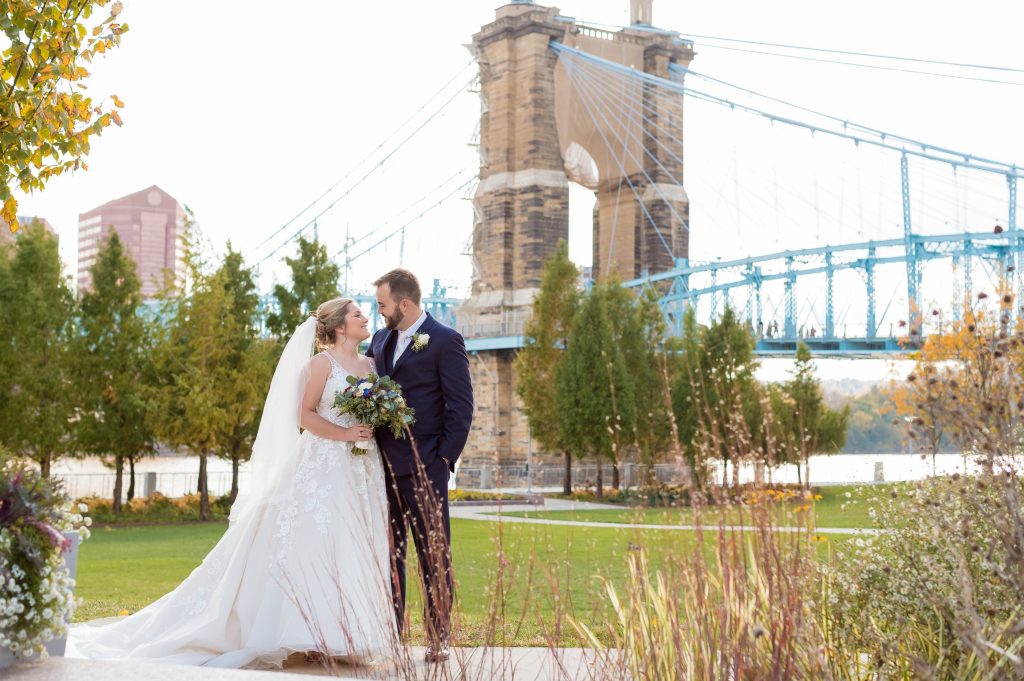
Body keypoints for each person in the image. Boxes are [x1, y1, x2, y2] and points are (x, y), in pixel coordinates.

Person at [68, 298, 396, 668]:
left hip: (362, 469)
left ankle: (342, 635)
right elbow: (303, 416)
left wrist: (373, 423)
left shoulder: (372, 365)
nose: (364, 318)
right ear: (339, 326)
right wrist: (345, 432)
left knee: (351, 543)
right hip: (322, 465)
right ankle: (303, 634)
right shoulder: (320, 366)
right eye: (356, 314)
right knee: (311, 542)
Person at [366, 268, 473, 664]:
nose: (378, 311)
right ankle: (392, 634)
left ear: (404, 304)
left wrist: (442, 459)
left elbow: (461, 408)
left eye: (382, 304)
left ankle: (439, 636)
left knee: (433, 555)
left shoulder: (445, 341)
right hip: (381, 469)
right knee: (391, 555)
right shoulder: (378, 340)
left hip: (426, 466)